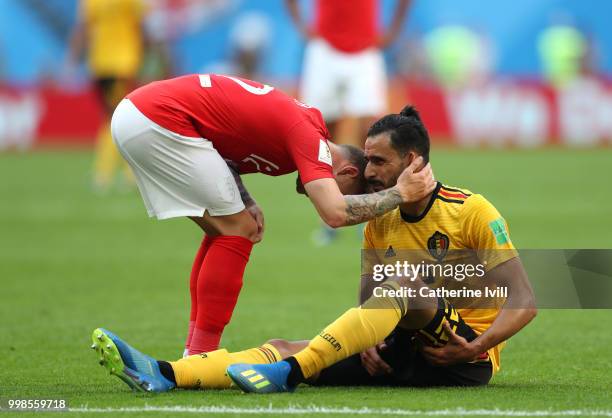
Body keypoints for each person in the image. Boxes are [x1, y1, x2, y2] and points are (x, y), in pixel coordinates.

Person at [90, 106, 536, 393]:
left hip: (460, 357)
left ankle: (294, 373)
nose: (369, 171)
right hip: (397, 353)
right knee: (282, 344)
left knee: (404, 284)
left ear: (413, 161)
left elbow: (525, 302)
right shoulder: (380, 219)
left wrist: (475, 347)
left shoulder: (472, 210)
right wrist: (368, 344)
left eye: (379, 162)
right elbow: (369, 302)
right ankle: (166, 373)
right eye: (366, 160)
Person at [110, 74, 436, 356]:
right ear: (349, 172)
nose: (314, 197)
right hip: (156, 118)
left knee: (232, 227)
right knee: (238, 228)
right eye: (347, 194)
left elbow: (220, 145)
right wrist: (398, 194)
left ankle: (194, 352)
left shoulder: (301, 132)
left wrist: (245, 196)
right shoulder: (312, 140)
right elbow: (335, 213)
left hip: (144, 114)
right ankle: (199, 355)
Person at [286, 0, 411, 246]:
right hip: (325, 49)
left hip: (364, 50)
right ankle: (328, 215)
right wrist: (301, 25)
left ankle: (371, 214)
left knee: (373, 134)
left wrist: (393, 31)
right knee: (322, 136)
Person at [67, 0, 147, 191]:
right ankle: (122, 174)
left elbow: (83, 29)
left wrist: (72, 59)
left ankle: (109, 173)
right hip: (124, 61)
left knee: (114, 116)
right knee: (118, 116)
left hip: (102, 63)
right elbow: (142, 26)